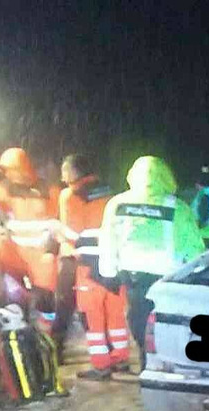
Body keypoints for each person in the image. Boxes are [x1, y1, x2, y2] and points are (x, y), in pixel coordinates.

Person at [98, 156, 205, 371]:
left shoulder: (118, 204)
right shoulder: (177, 207)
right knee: (166, 324)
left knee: (139, 321)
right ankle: (164, 363)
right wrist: (197, 274)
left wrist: (108, 272)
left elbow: (108, 240)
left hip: (134, 276)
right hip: (168, 277)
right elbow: (194, 246)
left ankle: (146, 361)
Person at [58, 154, 129, 379]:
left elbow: (72, 234)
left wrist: (59, 236)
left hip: (88, 266)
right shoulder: (112, 193)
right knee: (116, 314)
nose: (62, 177)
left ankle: (101, 365)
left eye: (65, 171)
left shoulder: (70, 196)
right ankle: (121, 358)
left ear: (75, 172)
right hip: (115, 263)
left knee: (93, 317)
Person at [0, 148, 64, 343]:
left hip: (41, 256)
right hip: (15, 255)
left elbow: (58, 222)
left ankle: (49, 339)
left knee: (45, 300)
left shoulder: (48, 190)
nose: (7, 175)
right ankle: (22, 341)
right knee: (16, 300)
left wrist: (51, 250)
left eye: (9, 170)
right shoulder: (2, 190)